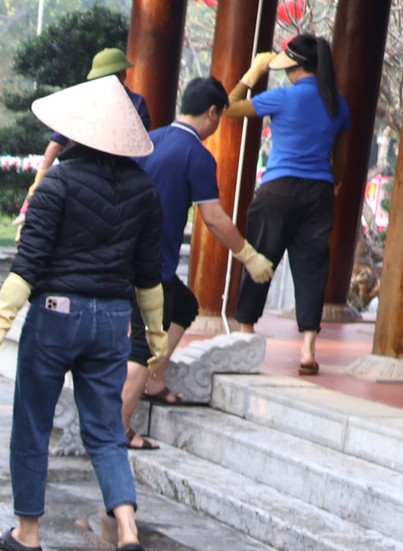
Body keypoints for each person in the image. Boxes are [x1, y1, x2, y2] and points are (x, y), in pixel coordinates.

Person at [0, 76, 166, 551]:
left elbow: (28, 263)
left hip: (56, 315)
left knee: (33, 422)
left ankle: (28, 533)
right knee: (105, 431)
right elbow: (149, 273)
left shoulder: (57, 181)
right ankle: (126, 528)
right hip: (112, 321)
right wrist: (157, 334)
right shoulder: (145, 190)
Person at [121, 76, 277, 447]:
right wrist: (248, 255)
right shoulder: (197, 155)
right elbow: (214, 218)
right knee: (142, 347)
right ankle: (118, 428)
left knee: (186, 305)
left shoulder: (150, 140)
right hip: (150, 268)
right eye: (220, 116)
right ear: (213, 112)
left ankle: (155, 381)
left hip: (127, 255)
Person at [226, 33, 349, 376]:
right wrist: (333, 186)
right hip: (319, 191)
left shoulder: (281, 97)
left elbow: (228, 107)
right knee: (312, 267)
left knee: (260, 258)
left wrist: (254, 72)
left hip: (279, 190)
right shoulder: (338, 104)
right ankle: (308, 347)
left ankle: (246, 333)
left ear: (294, 67)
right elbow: (340, 158)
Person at [17, 47, 153, 227]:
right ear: (123, 74)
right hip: (124, 182)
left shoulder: (84, 103)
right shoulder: (136, 103)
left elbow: (56, 145)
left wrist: (38, 181)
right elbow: (141, 144)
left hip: (81, 177)